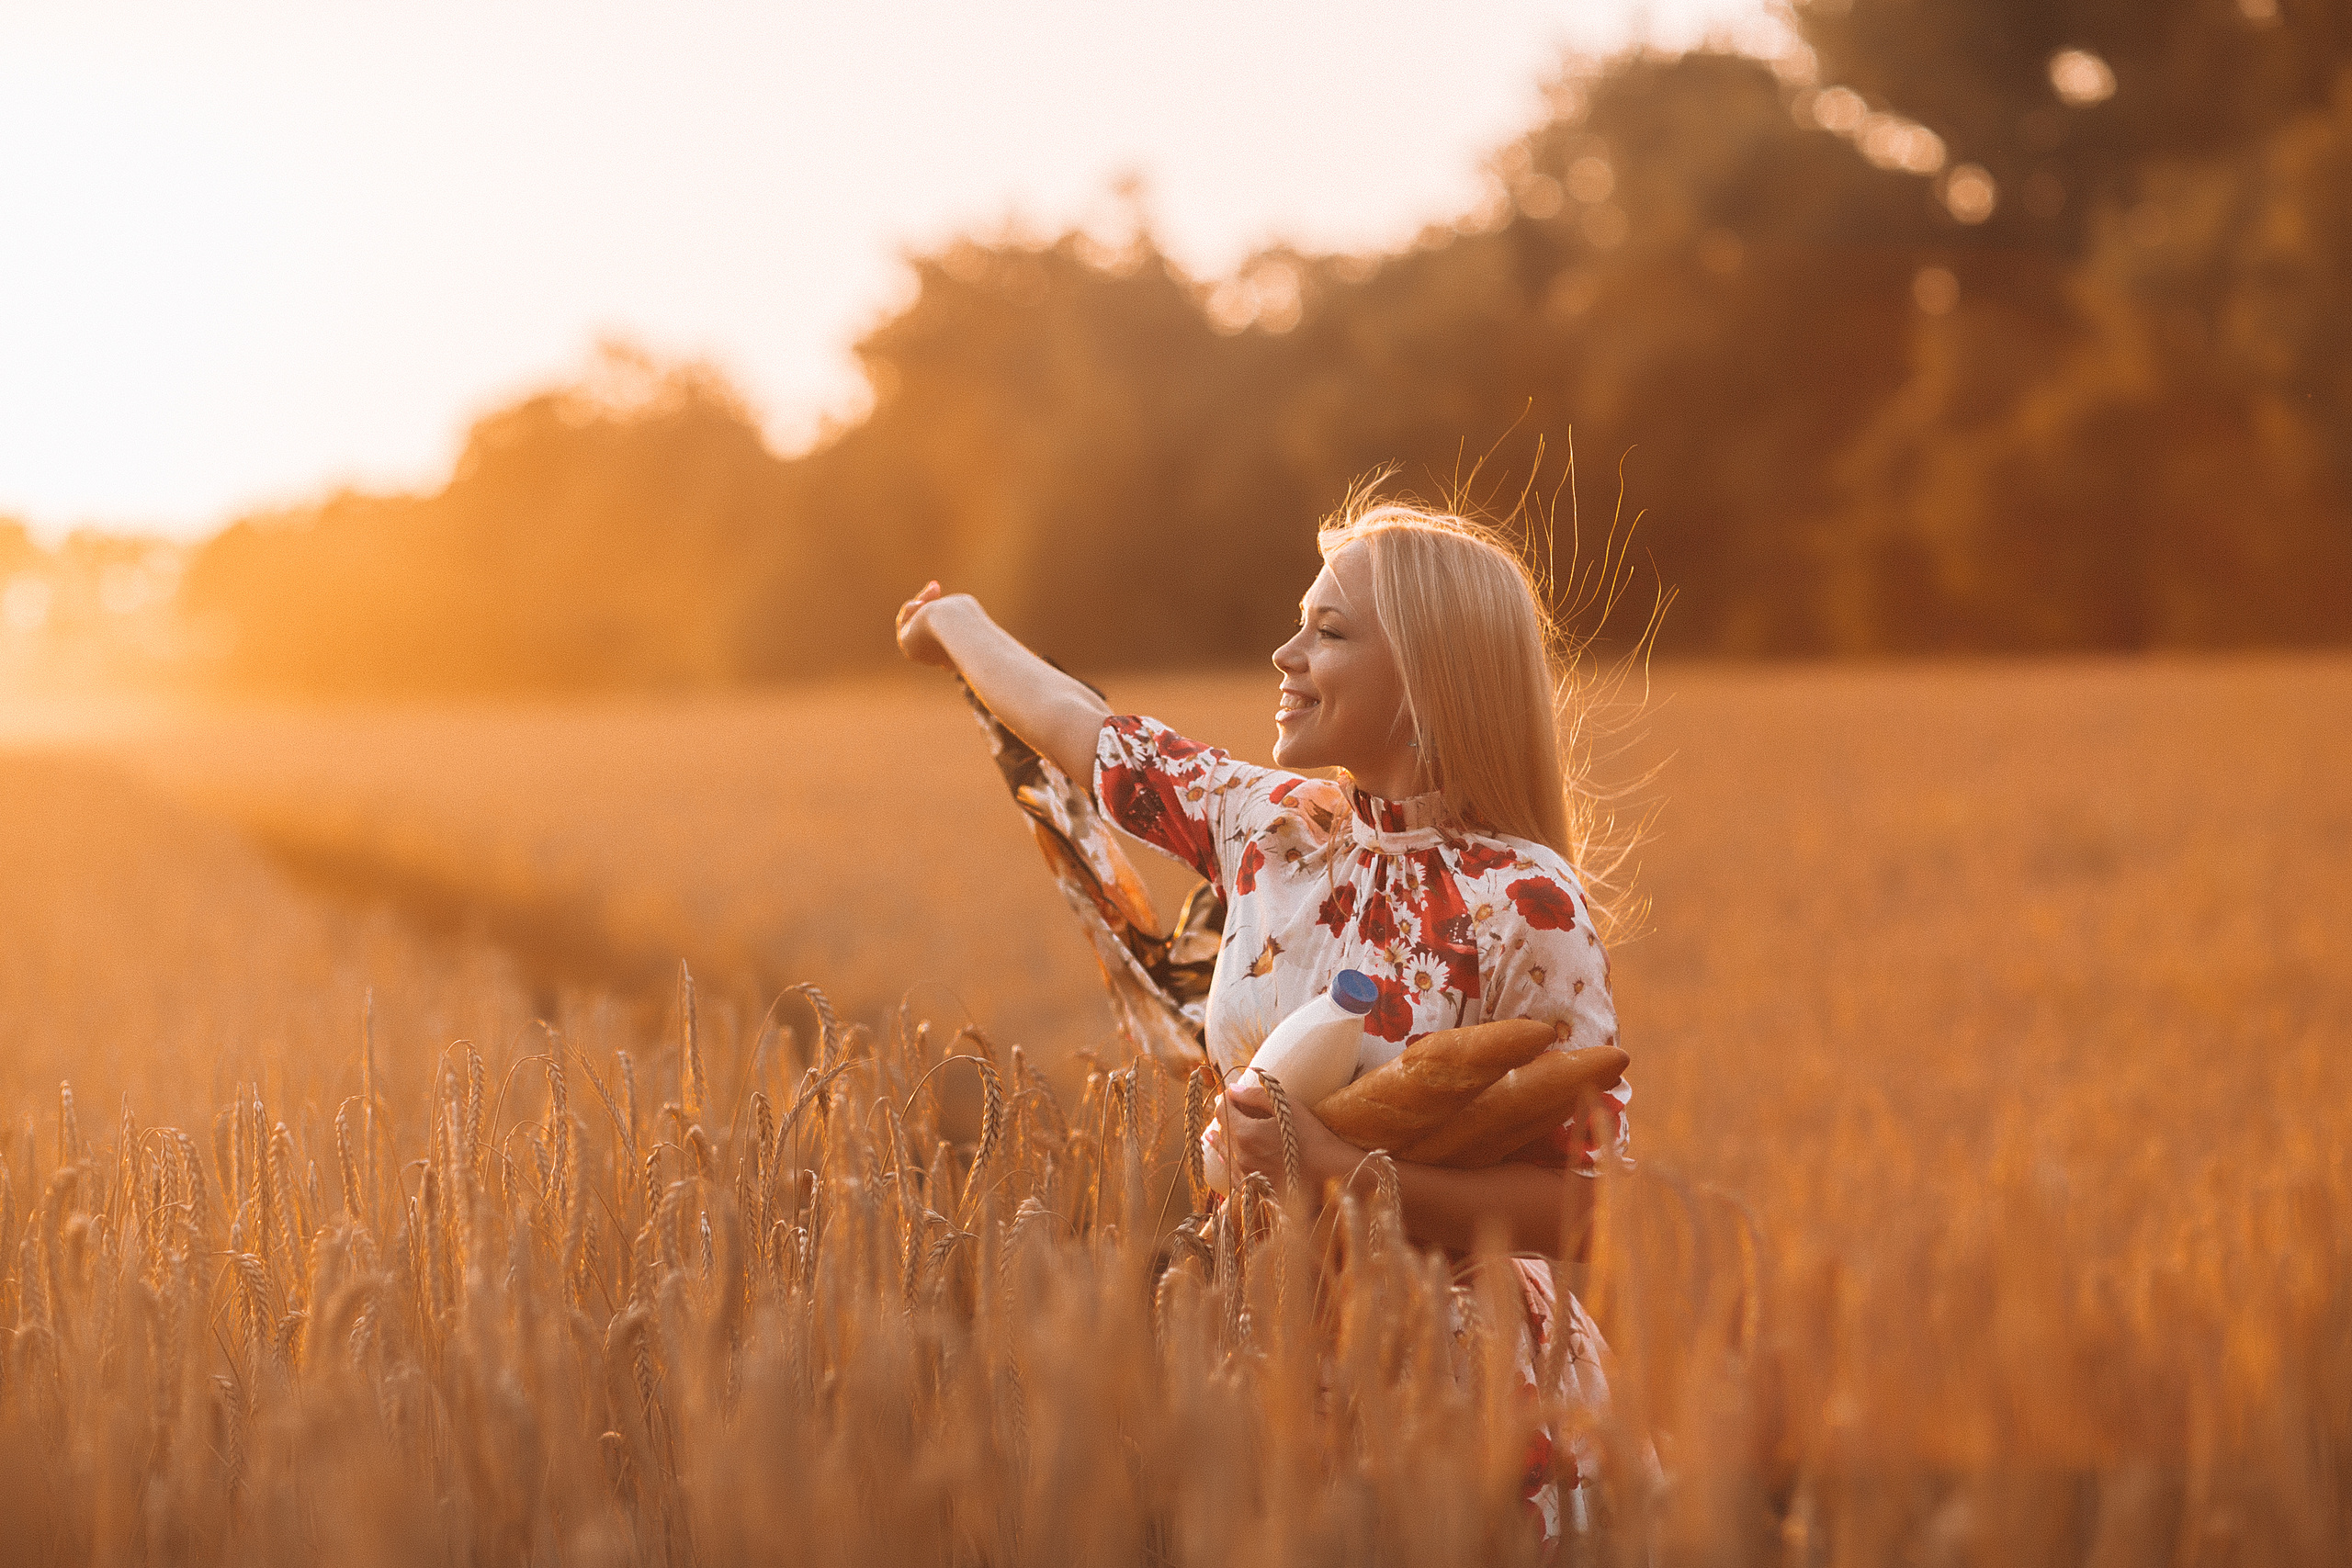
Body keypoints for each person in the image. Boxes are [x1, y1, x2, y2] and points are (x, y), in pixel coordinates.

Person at [895, 497, 1631, 1544]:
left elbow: (1590, 1210)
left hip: (1469, 1398)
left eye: (1329, 631)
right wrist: (955, 624)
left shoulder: (1526, 904)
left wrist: (1331, 1172)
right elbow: (1081, 729)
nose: (1284, 653)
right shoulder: (1269, 826)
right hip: (1263, 1362)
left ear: (1431, 677)